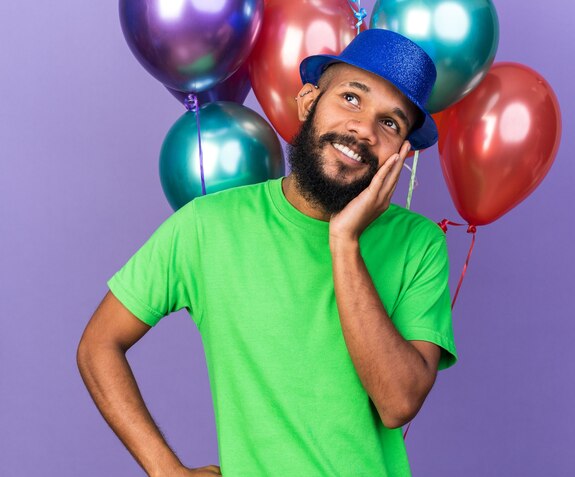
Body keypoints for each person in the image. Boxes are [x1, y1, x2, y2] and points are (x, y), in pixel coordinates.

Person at [77, 29, 458, 477]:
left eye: (390, 123)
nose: (363, 130)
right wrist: (166, 469)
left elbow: (398, 403)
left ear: (402, 154)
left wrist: (344, 242)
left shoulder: (420, 244)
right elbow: (98, 345)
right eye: (352, 98)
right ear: (308, 102)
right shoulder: (209, 225)